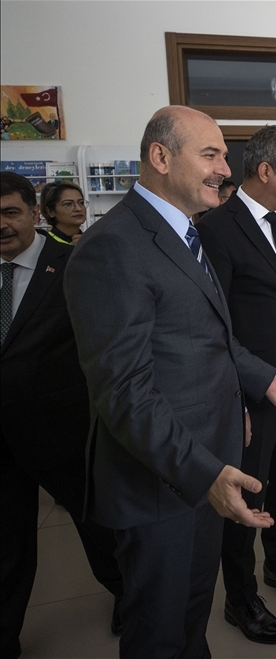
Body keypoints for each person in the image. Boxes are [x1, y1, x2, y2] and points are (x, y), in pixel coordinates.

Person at [65, 106, 276, 658]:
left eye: (224, 155)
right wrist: (205, 473)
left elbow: (208, 338)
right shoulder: (113, 246)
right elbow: (124, 392)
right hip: (161, 485)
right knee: (159, 631)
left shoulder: (186, 233)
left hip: (206, 470)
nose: (225, 169)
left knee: (192, 616)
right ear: (160, 157)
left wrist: (263, 378)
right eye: (211, 155)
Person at [198, 125, 276, 645]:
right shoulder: (217, 229)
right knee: (246, 498)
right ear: (267, 170)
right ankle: (241, 596)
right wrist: (238, 400)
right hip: (254, 393)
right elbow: (215, 326)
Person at [1, 172, 123, 658]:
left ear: (35, 213)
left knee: (98, 527)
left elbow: (104, 343)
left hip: (62, 432)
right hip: (2, 438)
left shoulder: (72, 264)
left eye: (10, 213)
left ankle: (127, 593)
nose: (1, 225)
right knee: (7, 544)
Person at [39, 180, 87, 245]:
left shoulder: (91, 241)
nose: (78, 208)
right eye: (68, 204)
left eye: (81, 203)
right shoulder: (44, 244)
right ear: (50, 211)